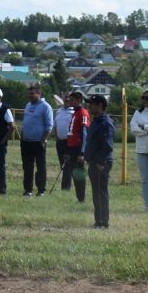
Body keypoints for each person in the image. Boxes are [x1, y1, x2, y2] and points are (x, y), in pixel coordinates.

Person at [84, 93, 115, 229]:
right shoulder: (96, 121)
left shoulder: (105, 123)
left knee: (101, 192)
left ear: (100, 106)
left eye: (91, 104)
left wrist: (100, 162)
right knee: (96, 192)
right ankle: (98, 220)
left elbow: (107, 146)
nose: (89, 106)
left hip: (100, 163)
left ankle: (103, 221)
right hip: (93, 161)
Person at [53, 92, 88, 201]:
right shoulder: (75, 113)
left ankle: (81, 198)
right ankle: (78, 197)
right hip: (71, 147)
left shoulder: (83, 113)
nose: (70, 101)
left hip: (78, 148)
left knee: (78, 173)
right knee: (71, 170)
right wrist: (68, 150)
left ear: (78, 100)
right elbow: (70, 132)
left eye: (72, 100)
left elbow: (84, 134)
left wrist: (82, 153)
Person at [19, 85, 52, 196]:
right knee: (27, 167)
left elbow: (49, 126)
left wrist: (43, 141)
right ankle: (28, 190)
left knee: (40, 167)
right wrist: (22, 137)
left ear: (39, 94)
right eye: (29, 93)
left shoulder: (45, 106)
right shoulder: (28, 105)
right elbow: (25, 123)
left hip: (39, 142)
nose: (30, 95)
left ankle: (41, 190)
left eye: (32, 93)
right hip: (26, 142)